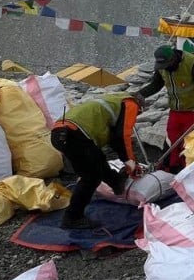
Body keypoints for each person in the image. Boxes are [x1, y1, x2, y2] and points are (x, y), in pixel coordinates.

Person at [51, 93, 142, 229]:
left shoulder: (112, 101)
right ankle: (72, 217)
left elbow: (114, 140)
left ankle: (116, 182)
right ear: (140, 106)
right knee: (91, 178)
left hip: (60, 133)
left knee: (97, 159)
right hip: (74, 136)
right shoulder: (131, 104)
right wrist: (128, 160)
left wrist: (128, 159)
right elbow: (122, 135)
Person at [134, 45, 194, 173]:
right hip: (176, 110)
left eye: (167, 65)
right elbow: (156, 85)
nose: (165, 69)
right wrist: (139, 94)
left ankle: (189, 171)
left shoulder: (193, 63)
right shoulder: (162, 67)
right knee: (172, 140)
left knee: (190, 143)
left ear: (174, 59)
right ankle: (170, 169)